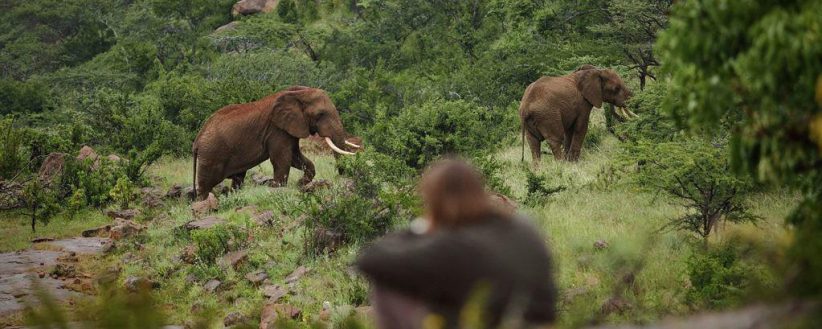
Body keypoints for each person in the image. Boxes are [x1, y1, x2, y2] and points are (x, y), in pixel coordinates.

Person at [355, 159, 557, 329]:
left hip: (485, 322)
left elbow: (370, 260)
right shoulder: (524, 226)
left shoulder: (454, 245)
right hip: (538, 321)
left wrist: (420, 227)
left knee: (387, 285)